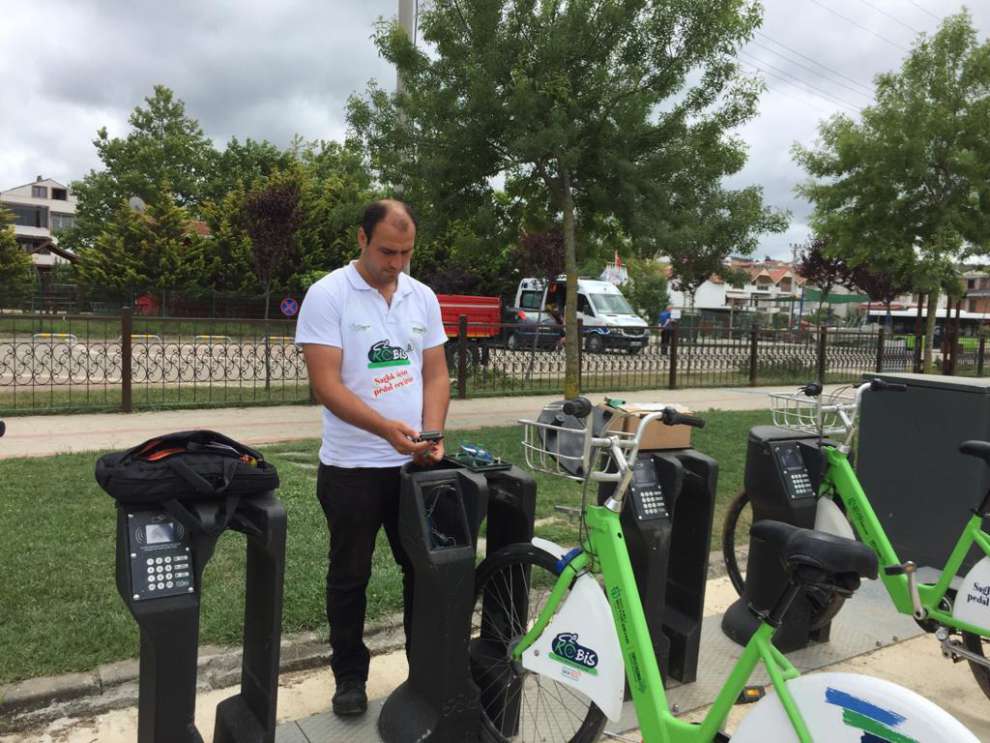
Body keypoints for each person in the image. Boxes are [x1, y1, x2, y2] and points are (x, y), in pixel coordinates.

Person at [295, 199, 450, 717]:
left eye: (406, 252)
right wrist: (385, 429)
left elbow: (434, 373)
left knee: (423, 571)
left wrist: (432, 433)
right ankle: (349, 678)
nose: (397, 263)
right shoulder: (328, 295)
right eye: (387, 251)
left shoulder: (421, 296)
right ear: (361, 239)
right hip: (352, 467)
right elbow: (325, 385)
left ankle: (424, 670)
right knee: (350, 575)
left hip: (414, 467)